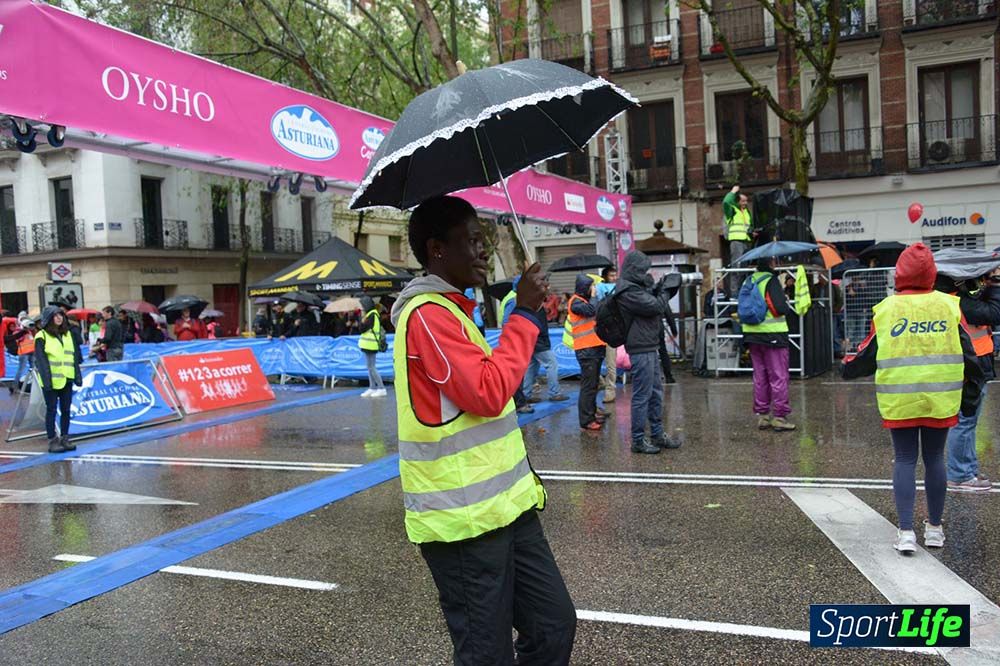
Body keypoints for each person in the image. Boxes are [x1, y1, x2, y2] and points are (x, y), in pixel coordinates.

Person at [389, 195, 575, 664]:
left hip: (510, 509)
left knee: (554, 625)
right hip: (464, 524)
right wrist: (526, 315)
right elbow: (489, 392)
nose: (482, 251)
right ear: (437, 249)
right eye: (471, 241)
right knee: (485, 654)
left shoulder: (455, 311)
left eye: (484, 240)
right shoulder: (427, 315)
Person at [843, 243, 983, 553]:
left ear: (901, 274)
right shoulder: (949, 306)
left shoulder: (887, 308)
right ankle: (934, 529)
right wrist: (971, 394)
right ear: (932, 273)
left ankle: (906, 533)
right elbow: (968, 353)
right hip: (940, 397)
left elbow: (867, 354)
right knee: (935, 459)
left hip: (901, 397)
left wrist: (846, 368)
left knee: (905, 459)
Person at [936, 267, 1000, 492]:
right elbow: (995, 313)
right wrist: (995, 283)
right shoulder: (960, 303)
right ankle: (960, 475)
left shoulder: (957, 300)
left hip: (973, 367)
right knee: (965, 422)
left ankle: (967, 471)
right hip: (970, 369)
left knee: (968, 422)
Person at [617, 252, 678, 453]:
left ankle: (657, 434)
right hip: (640, 347)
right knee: (642, 395)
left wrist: (658, 287)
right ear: (635, 269)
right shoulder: (627, 290)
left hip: (649, 345)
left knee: (655, 392)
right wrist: (667, 291)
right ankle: (637, 440)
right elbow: (655, 306)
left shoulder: (635, 287)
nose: (646, 273)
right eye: (643, 270)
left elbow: (652, 301)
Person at [742, 258, 796, 431]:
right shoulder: (770, 280)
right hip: (773, 335)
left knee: (760, 376)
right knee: (778, 376)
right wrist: (786, 302)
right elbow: (779, 308)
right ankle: (779, 417)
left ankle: (763, 415)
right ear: (771, 263)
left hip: (752, 335)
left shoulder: (749, 280)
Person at [34, 306, 83, 453]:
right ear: (49, 318)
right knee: (51, 410)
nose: (59, 318)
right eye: (55, 316)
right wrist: (47, 382)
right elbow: (41, 362)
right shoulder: (41, 336)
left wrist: (77, 376)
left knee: (66, 410)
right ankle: (52, 440)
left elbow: (74, 357)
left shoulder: (68, 334)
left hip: (66, 378)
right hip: (51, 381)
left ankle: (65, 438)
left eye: (61, 315)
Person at [568, 274, 607, 431]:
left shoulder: (583, 301)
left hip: (594, 349)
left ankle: (591, 413)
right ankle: (586, 420)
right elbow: (592, 310)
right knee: (588, 386)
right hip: (586, 351)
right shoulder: (576, 302)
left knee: (593, 385)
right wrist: (594, 297)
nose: (594, 289)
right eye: (591, 286)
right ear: (585, 288)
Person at [522, 296, 568, 404]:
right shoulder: (536, 306)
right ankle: (555, 393)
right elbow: (539, 325)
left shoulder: (528, 304)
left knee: (532, 366)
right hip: (539, 341)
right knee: (551, 364)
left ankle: (526, 394)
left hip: (532, 341)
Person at [595, 267, 619, 403]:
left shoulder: (619, 288)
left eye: (615, 275)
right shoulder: (598, 289)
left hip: (611, 331)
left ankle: (610, 391)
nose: (614, 278)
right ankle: (602, 383)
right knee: (597, 361)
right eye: (612, 275)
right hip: (600, 331)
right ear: (605, 276)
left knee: (611, 364)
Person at [358, 296, 387, 398]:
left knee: (372, 367)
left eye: (362, 305)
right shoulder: (372, 314)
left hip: (371, 344)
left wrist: (361, 318)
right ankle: (372, 387)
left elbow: (362, 328)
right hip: (368, 344)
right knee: (370, 367)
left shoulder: (371, 315)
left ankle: (381, 388)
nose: (361, 308)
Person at [5, 315, 35, 394]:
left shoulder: (29, 331)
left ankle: (33, 386)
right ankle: (14, 387)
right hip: (24, 353)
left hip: (32, 352)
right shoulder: (18, 331)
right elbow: (18, 338)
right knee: (21, 370)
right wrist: (23, 331)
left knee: (34, 370)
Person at [723, 184, 751, 266]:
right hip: (736, 241)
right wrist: (733, 192)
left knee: (744, 266)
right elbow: (726, 202)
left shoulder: (746, 212)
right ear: (737, 201)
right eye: (743, 201)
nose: (745, 203)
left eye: (746, 201)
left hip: (746, 242)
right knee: (737, 266)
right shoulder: (732, 210)